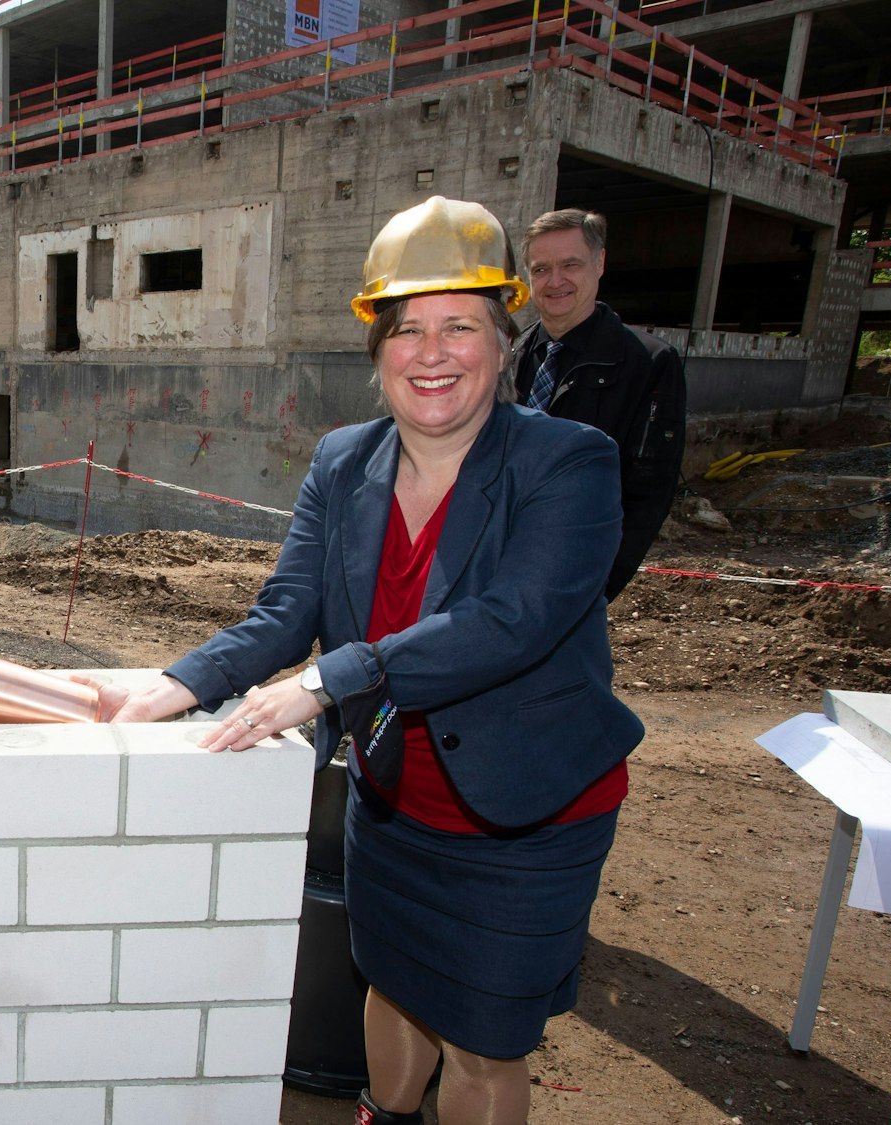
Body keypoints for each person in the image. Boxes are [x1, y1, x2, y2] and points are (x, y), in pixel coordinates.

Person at [104, 197, 645, 1125]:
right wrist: (178, 681)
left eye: (459, 327)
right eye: (407, 330)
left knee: (481, 1040)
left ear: (503, 338)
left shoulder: (569, 463)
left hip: (524, 813)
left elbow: (512, 620)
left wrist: (322, 683)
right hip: (394, 802)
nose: (431, 353)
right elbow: (287, 609)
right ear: (377, 348)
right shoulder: (343, 460)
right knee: (392, 984)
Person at [514, 207, 687, 600]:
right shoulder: (506, 357)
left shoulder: (649, 364)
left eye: (570, 265)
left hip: (576, 575)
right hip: (499, 571)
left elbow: (646, 494)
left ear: (600, 263)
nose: (554, 281)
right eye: (540, 269)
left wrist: (596, 590)